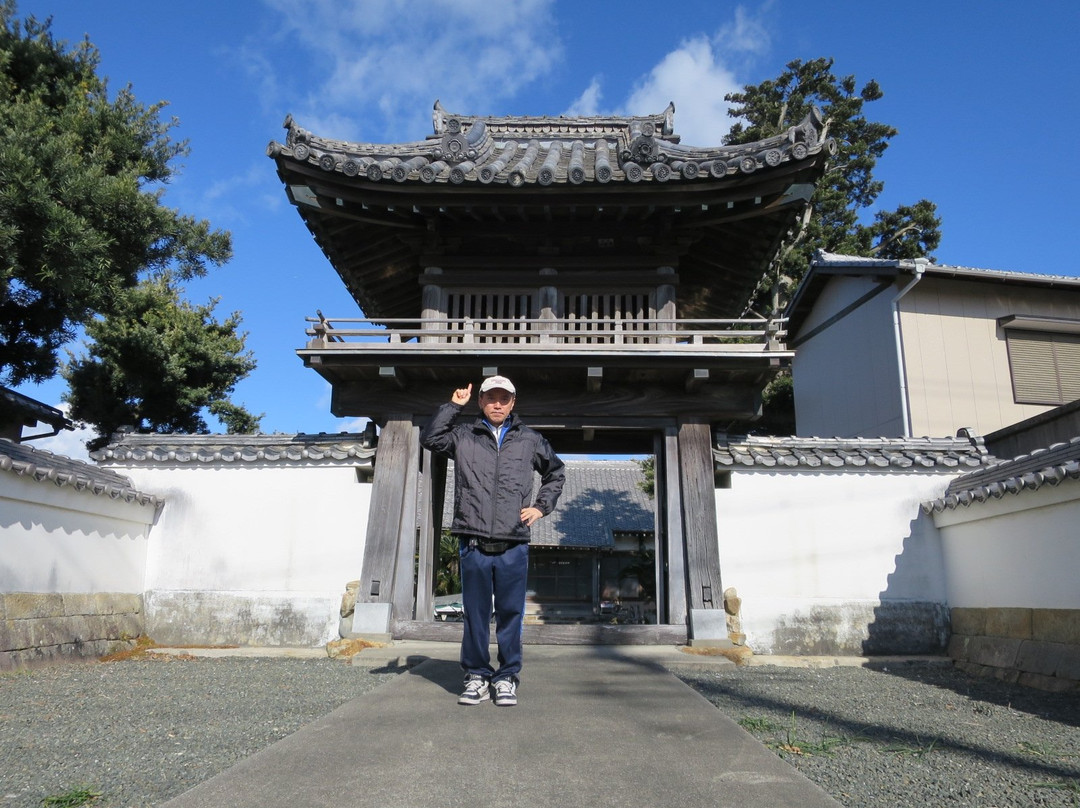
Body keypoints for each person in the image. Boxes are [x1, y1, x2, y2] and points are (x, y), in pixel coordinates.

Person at [420, 375, 565, 706]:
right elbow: (431, 439)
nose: (497, 404)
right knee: (475, 613)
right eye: (490, 398)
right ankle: (476, 675)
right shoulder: (463, 435)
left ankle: (507, 676)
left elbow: (555, 472)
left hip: (513, 540)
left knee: (512, 613)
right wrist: (453, 406)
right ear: (480, 402)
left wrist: (540, 507)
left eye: (504, 398)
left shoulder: (529, 440)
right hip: (473, 540)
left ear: (513, 402)